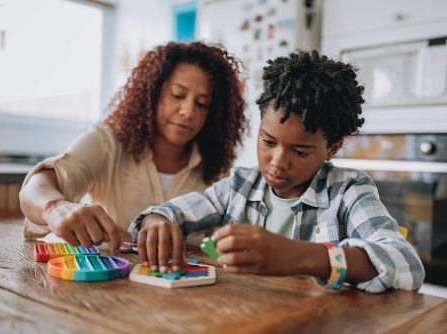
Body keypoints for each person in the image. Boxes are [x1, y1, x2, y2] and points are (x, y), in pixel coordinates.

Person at [129, 50, 425, 293]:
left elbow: (406, 266)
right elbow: (168, 214)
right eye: (268, 142)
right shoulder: (240, 187)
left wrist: (300, 256)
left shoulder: (348, 191)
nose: (278, 162)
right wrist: (157, 221)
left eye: (300, 151)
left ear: (332, 148)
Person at [19, 41, 248, 253]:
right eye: (177, 95)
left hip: (181, 290)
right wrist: (54, 208)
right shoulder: (107, 141)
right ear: (151, 93)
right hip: (108, 286)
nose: (188, 112)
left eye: (202, 104)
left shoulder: (216, 166)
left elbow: (219, 239)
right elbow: (36, 187)